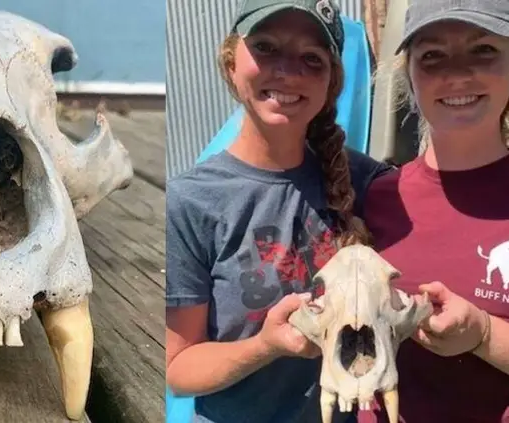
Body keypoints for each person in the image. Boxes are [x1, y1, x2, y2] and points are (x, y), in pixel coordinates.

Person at [164, 0, 393, 421]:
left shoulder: (367, 182)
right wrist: (265, 346)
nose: (287, 71)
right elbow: (178, 368)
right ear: (231, 63)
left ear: (332, 84)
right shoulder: (190, 201)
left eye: (311, 58)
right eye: (267, 48)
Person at [356, 0, 509, 422]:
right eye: (433, 55)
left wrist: (484, 334)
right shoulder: (374, 195)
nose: (457, 74)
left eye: (483, 50)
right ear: (409, 74)